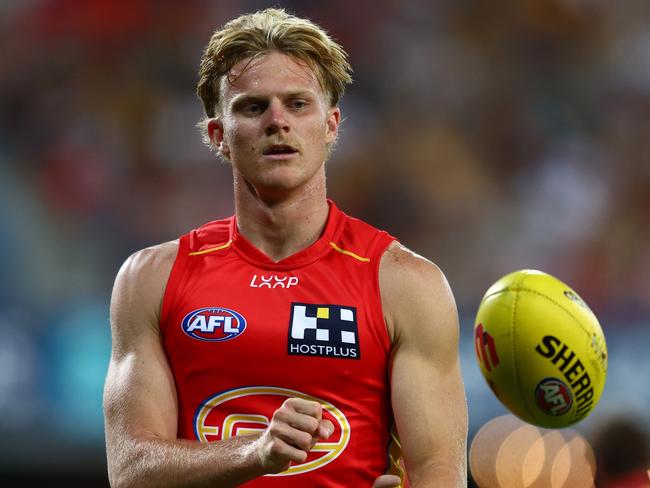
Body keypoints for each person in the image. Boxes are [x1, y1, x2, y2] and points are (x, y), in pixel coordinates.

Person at [103, 8, 467, 488]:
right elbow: (129, 471)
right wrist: (255, 453)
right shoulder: (151, 279)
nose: (278, 122)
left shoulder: (404, 283)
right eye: (254, 107)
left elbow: (440, 472)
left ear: (332, 125)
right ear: (219, 136)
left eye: (298, 104)